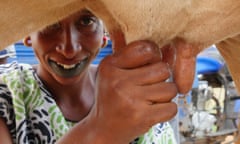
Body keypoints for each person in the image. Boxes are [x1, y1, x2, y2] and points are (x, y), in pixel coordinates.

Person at [0, 8, 178, 144]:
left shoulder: (136, 91)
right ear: (27, 35)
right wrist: (101, 129)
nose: (69, 48)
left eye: (86, 21)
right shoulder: (8, 94)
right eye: (51, 24)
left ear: (104, 36)